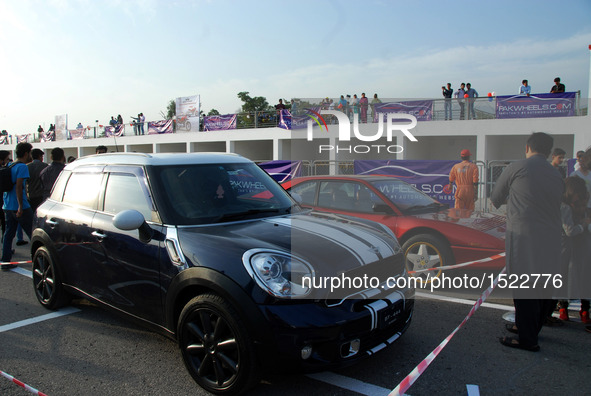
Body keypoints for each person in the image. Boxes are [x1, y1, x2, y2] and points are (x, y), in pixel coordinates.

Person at [491, 132, 564, 352]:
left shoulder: (516, 167)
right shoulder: (556, 173)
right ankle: (531, 328)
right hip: (552, 236)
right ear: (549, 152)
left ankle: (527, 338)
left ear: (527, 147)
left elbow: (495, 198)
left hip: (524, 236)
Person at [556, 176, 591, 323]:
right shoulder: (565, 207)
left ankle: (582, 310)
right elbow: (570, 230)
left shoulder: (573, 202)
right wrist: (583, 225)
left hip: (579, 245)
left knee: (580, 276)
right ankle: (566, 308)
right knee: (570, 276)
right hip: (570, 246)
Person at [1, 143, 34, 270]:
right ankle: (40, 258)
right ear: (26, 153)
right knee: (33, 233)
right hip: (20, 206)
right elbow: (19, 186)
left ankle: (5, 261)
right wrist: (21, 206)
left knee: (9, 234)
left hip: (7, 205)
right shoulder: (22, 167)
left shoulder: (10, 165)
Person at [26, 148, 48, 213]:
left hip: (31, 195)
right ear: (39, 156)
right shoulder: (45, 166)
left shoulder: (27, 167)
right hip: (41, 195)